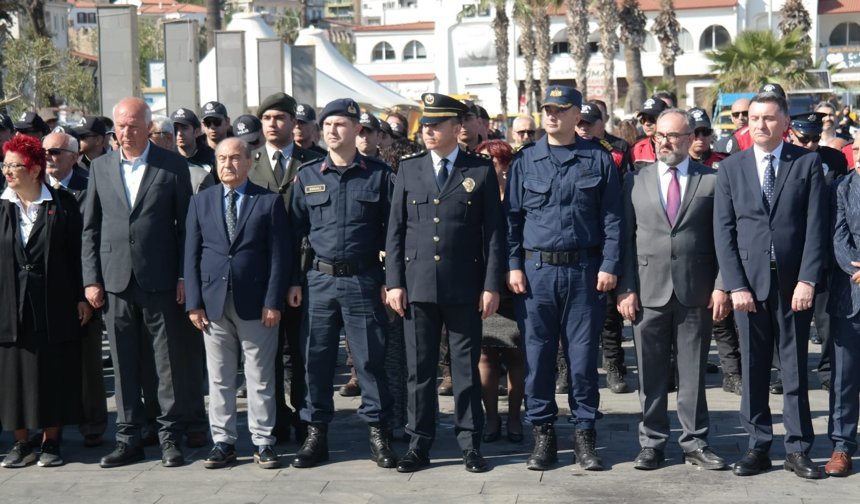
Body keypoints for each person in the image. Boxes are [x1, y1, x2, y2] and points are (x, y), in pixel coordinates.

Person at [386, 92, 505, 473]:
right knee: (419, 371)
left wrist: (491, 285)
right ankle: (419, 443)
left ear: (459, 127)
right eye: (426, 125)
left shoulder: (480, 170)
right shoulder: (409, 169)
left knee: (466, 368)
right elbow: (396, 231)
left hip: (464, 286)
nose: (429, 131)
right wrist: (394, 283)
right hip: (417, 286)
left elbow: (494, 236)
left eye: (437, 125)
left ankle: (470, 443)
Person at [505, 85, 621, 472]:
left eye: (560, 109)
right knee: (537, 358)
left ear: (577, 115)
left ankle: (585, 435)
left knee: (583, 358)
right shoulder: (526, 162)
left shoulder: (598, 159)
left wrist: (609, 265)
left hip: (583, 271)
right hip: (536, 273)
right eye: (547, 109)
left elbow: (613, 219)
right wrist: (513, 264)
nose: (552, 116)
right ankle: (543, 435)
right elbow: (512, 220)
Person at [714, 91, 826, 479]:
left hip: (794, 284)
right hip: (750, 286)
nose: (760, 125)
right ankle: (758, 446)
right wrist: (735, 285)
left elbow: (816, 227)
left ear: (785, 123)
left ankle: (797, 448)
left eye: (769, 118)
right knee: (754, 367)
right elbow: (724, 232)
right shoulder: (731, 168)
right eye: (755, 118)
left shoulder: (806, 164)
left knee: (794, 370)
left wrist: (808, 279)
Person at [82, 97, 197, 468]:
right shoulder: (100, 169)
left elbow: (187, 229)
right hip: (115, 282)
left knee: (166, 364)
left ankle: (169, 437)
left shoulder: (172, 165)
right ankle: (128, 437)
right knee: (123, 363)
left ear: (148, 127)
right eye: (120, 125)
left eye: (133, 125)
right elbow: (91, 230)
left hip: (160, 279)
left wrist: (183, 275)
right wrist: (91, 280)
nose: (126, 132)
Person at [617, 109, 728, 471]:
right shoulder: (634, 181)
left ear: (690, 137)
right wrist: (625, 288)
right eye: (660, 137)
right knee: (650, 372)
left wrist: (721, 286)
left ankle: (695, 441)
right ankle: (652, 442)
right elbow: (625, 241)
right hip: (647, 290)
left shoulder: (711, 180)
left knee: (693, 369)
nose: (666, 142)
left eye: (674, 136)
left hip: (695, 289)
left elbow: (724, 239)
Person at [289, 98, 397, 469]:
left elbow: (394, 235)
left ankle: (378, 432)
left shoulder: (379, 176)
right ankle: (315, 433)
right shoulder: (308, 176)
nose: (333, 131)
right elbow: (292, 234)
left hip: (364, 280)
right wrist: (293, 281)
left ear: (357, 131)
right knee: (315, 360)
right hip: (319, 281)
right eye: (328, 125)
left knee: (370, 361)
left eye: (341, 125)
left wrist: (390, 280)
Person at [185, 137, 289, 470]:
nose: (227, 165)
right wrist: (194, 303)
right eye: (221, 159)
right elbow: (191, 254)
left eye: (233, 159)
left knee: (259, 376)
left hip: (256, 302)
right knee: (219, 377)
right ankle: (223, 442)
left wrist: (273, 300)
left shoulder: (268, 202)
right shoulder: (202, 201)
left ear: (248, 163)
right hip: (213, 303)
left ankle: (263, 441)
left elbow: (279, 256)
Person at [0, 135, 90, 468]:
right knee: (13, 374)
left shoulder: (63, 203)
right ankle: (21, 443)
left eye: (15, 165)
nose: (8, 171)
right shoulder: (1, 204)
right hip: (10, 303)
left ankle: (51, 441)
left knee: (55, 370)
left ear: (35, 169)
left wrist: (82, 294)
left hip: (56, 301)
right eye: (5, 165)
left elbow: (79, 253)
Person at [248, 91, 324, 445]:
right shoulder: (247, 161)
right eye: (267, 118)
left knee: (305, 349)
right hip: (262, 275)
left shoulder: (316, 162)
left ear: (295, 123)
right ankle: (276, 417)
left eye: (280, 118)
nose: (273, 124)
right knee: (269, 352)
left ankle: (308, 418)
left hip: (308, 270)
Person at [42, 132, 108, 447]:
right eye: (44, 152)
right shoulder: (33, 187)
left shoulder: (87, 185)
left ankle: (93, 424)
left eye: (55, 152)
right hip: (44, 289)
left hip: (82, 286)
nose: (48, 158)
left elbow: (92, 240)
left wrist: (87, 290)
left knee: (87, 361)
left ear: (72, 155)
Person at [787, 111, 849, 392]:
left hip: (824, 252)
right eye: (805, 139)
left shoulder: (833, 159)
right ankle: (784, 372)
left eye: (815, 139)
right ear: (791, 134)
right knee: (786, 323)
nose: (810, 145)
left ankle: (826, 371)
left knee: (825, 321)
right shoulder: (784, 158)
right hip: (789, 252)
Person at [574, 101, 631, 394]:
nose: (583, 128)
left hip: (603, 242)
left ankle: (614, 366)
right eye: (579, 122)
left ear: (601, 123)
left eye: (589, 123)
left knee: (609, 315)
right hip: (576, 244)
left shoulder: (615, 151)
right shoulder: (567, 150)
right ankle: (565, 368)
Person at [475, 139, 525, 444]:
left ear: (504, 164)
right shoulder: (475, 193)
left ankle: (516, 417)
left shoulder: (515, 194)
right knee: (486, 353)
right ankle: (491, 417)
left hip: (517, 283)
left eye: (491, 160)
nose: (486, 166)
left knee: (517, 353)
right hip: (484, 283)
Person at [827, 132, 860, 477]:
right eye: (858, 149)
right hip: (851, 293)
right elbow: (837, 237)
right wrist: (855, 266)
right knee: (845, 378)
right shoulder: (841, 187)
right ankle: (842, 446)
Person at [631, 98, 668, 167]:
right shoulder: (637, 149)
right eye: (643, 119)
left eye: (651, 118)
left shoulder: (680, 145)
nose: (647, 124)